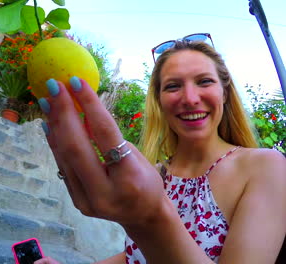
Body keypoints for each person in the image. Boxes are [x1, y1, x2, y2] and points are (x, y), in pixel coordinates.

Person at [33, 36, 286, 263]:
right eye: (173, 86)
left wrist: (150, 220)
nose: (189, 98)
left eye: (204, 81)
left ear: (225, 93)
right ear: (159, 102)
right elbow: (135, 255)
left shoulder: (266, 167)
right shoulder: (153, 176)